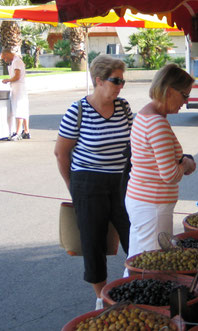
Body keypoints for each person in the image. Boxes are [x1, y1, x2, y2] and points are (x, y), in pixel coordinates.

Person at [54, 55, 132, 310]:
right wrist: (73, 186)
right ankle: (102, 298)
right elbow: (61, 153)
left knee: (134, 234)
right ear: (98, 80)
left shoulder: (123, 108)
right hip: (88, 183)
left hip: (121, 181)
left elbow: (135, 144)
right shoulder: (77, 110)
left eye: (123, 80)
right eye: (116, 80)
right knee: (93, 242)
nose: (121, 85)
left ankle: (134, 285)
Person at [125, 64, 196, 261]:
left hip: (141, 200)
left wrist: (180, 160)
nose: (186, 101)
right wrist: (186, 165)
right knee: (153, 263)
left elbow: (153, 158)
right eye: (185, 95)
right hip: (153, 205)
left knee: (137, 259)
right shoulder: (157, 124)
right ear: (169, 90)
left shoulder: (145, 114)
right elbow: (169, 175)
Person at [1, 49, 30, 141]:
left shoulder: (17, 62)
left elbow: (17, 76)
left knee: (19, 109)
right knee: (24, 109)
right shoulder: (15, 61)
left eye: (5, 58)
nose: (5, 60)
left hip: (18, 88)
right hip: (19, 88)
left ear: (8, 54)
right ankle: (26, 131)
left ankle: (17, 133)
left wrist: (8, 80)